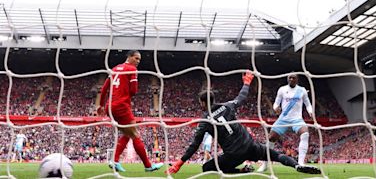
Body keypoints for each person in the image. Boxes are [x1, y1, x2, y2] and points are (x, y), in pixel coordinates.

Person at [166, 71, 320, 175]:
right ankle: (296, 165)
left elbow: (194, 144)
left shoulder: (204, 121)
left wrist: (179, 163)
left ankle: (242, 172)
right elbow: (242, 97)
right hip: (250, 146)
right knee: (276, 155)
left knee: (207, 167)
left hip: (234, 154)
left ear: (201, 103)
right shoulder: (227, 106)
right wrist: (247, 82)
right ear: (214, 99)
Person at [98, 50, 163, 172]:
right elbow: (134, 91)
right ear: (129, 57)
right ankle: (148, 166)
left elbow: (104, 88)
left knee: (127, 133)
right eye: (136, 58)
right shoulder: (132, 69)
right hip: (121, 105)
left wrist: (100, 105)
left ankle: (115, 160)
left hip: (109, 106)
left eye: (139, 59)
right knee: (134, 134)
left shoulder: (115, 68)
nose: (138, 61)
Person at [258, 73, 312, 172]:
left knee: (305, 134)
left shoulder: (302, 90)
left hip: (297, 119)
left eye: (293, 78)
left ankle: (300, 163)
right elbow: (276, 103)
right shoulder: (282, 89)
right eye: (289, 78)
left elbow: (307, 104)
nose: (291, 79)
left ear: (297, 80)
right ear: (287, 79)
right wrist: (275, 108)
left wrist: (310, 111)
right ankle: (265, 164)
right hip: (283, 118)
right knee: (271, 138)